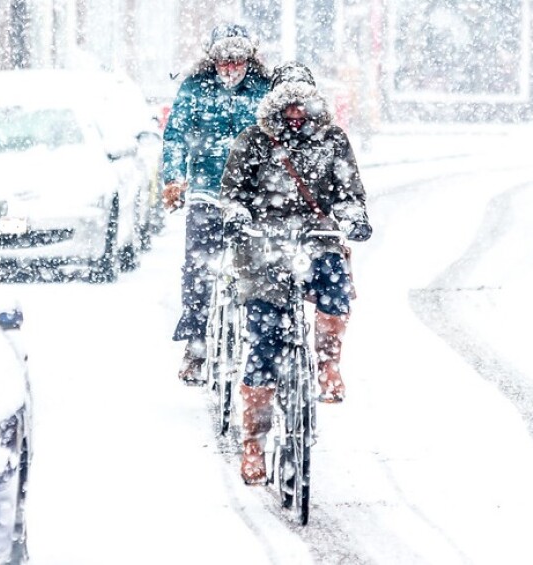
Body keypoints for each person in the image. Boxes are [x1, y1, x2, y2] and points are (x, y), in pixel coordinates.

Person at [219, 62, 372, 484]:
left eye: (302, 106)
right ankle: (253, 442)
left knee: (335, 285)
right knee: (264, 341)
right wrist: (235, 216)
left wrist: (353, 217)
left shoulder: (333, 140)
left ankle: (327, 364)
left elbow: (348, 191)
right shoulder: (253, 141)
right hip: (263, 244)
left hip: (316, 237)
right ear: (275, 106)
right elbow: (232, 194)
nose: (295, 114)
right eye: (287, 106)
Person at [161, 24, 272, 385]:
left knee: (263, 269)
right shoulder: (194, 88)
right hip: (206, 192)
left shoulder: (264, 90)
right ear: (212, 61)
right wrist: (174, 178)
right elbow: (175, 134)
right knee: (198, 269)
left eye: (237, 60)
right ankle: (195, 346)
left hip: (252, 196)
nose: (230, 68)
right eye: (223, 61)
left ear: (249, 60)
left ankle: (264, 343)